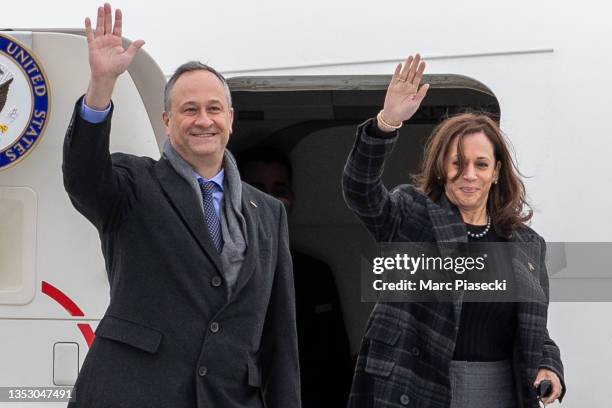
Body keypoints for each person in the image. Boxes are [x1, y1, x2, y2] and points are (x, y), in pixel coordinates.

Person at [63, 4, 299, 407]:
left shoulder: (268, 212)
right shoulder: (133, 185)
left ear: (230, 119)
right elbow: (84, 178)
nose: (203, 120)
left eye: (213, 109)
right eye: (189, 110)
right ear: (167, 122)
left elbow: (280, 337)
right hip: (134, 396)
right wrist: (101, 85)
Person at [342, 54, 565, 408]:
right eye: (457, 163)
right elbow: (360, 190)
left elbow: (534, 330)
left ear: (496, 172)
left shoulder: (526, 244)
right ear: (442, 168)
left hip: (500, 390)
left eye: (481, 164)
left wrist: (548, 366)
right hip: (418, 384)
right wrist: (386, 123)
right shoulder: (412, 215)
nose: (469, 175)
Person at [238, 147, 354, 408]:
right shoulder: (220, 271)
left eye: (279, 190)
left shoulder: (315, 274)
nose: (269, 200)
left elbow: (334, 365)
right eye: (257, 189)